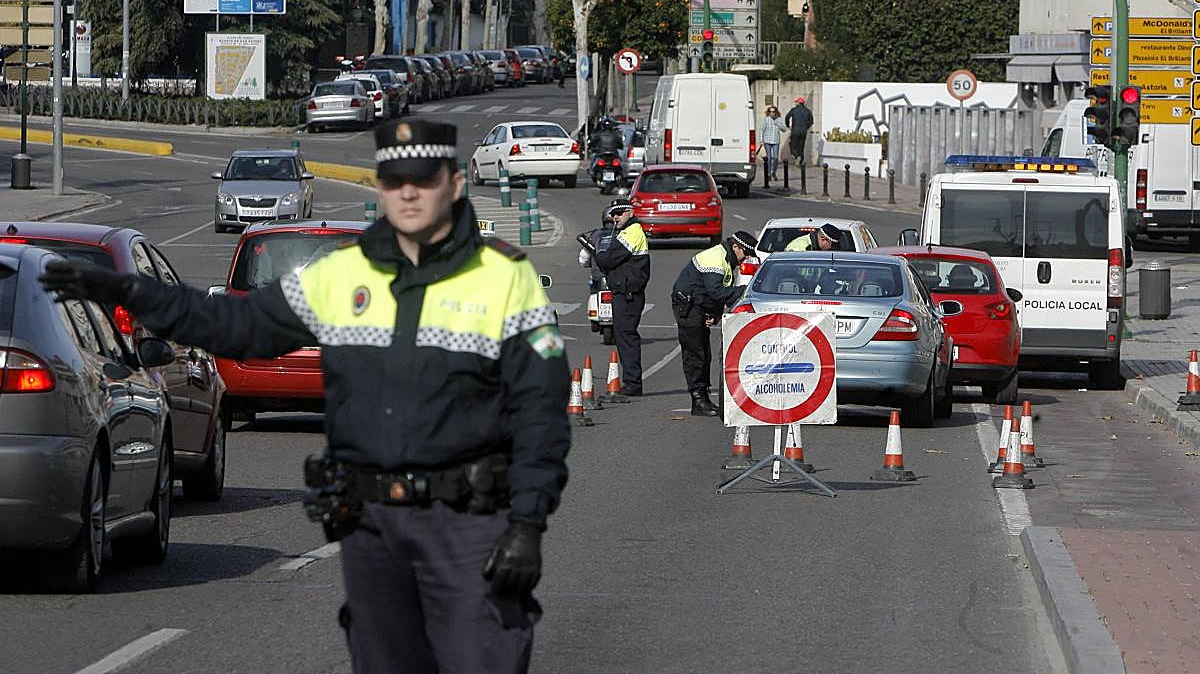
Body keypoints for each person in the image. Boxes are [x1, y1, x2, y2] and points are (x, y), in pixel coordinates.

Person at [41, 118, 571, 674]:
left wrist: (528, 524)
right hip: (371, 527)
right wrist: (132, 291)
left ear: (454, 184)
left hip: (467, 524)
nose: (409, 193)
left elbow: (540, 412)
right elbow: (236, 324)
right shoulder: (342, 275)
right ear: (381, 187)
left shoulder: (503, 276)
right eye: (394, 181)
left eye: (424, 179)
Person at [670, 231, 758, 416]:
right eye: (745, 254)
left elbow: (716, 293)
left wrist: (714, 314)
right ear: (736, 247)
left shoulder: (726, 259)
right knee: (695, 354)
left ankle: (703, 398)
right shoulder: (716, 258)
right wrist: (745, 291)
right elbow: (716, 292)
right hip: (688, 306)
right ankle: (698, 400)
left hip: (698, 305)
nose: (745, 260)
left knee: (704, 353)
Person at [593, 198, 650, 398]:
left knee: (627, 337)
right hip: (625, 291)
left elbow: (609, 258)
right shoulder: (625, 231)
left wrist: (597, 253)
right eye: (613, 214)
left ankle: (633, 383)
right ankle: (632, 381)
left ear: (630, 213)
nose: (615, 217)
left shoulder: (632, 232)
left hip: (628, 294)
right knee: (624, 336)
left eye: (619, 213)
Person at [785, 95, 814, 166]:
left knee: (792, 144)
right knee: (801, 145)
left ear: (798, 103)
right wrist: (806, 127)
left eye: (796, 102)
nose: (795, 103)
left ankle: (795, 155)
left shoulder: (794, 110)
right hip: (803, 131)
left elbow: (787, 117)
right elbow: (811, 122)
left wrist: (788, 126)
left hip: (795, 130)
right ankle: (800, 160)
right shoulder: (808, 111)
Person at [760, 105, 782, 181]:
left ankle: (774, 172)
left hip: (776, 140)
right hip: (767, 140)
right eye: (770, 111)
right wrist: (761, 140)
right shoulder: (766, 119)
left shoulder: (779, 119)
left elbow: (784, 129)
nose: (772, 113)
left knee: (775, 157)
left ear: (776, 112)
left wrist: (779, 124)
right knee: (769, 158)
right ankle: (768, 174)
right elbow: (762, 130)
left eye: (773, 111)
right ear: (768, 113)